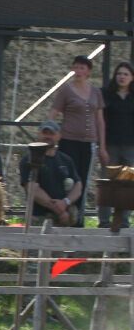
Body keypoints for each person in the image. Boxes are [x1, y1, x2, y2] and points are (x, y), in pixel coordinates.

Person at [47, 55, 108, 226]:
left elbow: (100, 120)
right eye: (76, 67)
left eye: (82, 68)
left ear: (88, 71)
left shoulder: (96, 92)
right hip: (69, 140)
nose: (78, 71)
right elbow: (53, 113)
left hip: (88, 143)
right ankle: (63, 215)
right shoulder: (66, 90)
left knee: (83, 180)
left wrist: (102, 146)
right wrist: (50, 135)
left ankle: (78, 219)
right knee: (68, 180)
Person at [19, 120, 83, 227]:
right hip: (38, 218)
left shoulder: (66, 160)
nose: (48, 136)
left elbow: (78, 186)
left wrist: (66, 202)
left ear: (59, 136)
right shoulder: (28, 160)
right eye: (45, 133)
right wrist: (58, 209)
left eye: (52, 134)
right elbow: (32, 188)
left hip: (64, 218)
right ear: (39, 134)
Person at [98, 61, 134, 228]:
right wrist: (102, 147)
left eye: (126, 74)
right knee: (108, 183)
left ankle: (123, 220)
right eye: (119, 73)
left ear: (131, 77)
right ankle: (104, 221)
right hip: (111, 145)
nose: (122, 77)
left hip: (130, 147)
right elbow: (101, 121)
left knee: (127, 184)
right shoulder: (106, 94)